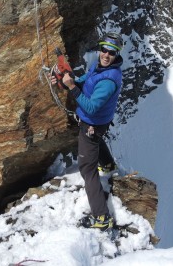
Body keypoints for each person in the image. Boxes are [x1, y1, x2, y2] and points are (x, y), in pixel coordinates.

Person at [53, 32, 123, 230]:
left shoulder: (108, 81)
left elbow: (91, 107)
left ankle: (102, 217)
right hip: (98, 124)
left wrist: (72, 87)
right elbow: (84, 79)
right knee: (97, 140)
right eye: (104, 49)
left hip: (92, 123)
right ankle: (108, 165)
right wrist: (67, 82)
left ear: (117, 55)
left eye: (111, 52)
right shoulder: (99, 67)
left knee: (87, 169)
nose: (106, 54)